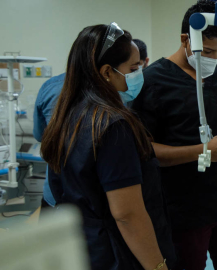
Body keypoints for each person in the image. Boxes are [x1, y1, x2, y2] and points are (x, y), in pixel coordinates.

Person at [40, 23, 175, 270]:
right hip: (119, 252)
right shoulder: (113, 126)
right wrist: (157, 265)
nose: (138, 74)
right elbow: (127, 214)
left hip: (87, 247)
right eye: (133, 68)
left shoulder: (68, 114)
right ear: (106, 72)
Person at [132, 1, 217, 269]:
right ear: (185, 39)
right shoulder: (153, 82)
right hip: (181, 210)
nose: (212, 59)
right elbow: (145, 151)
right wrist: (202, 151)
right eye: (208, 50)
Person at [34, 73, 65, 208]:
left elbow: (40, 134)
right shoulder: (113, 90)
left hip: (54, 193)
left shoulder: (52, 86)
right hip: (94, 204)